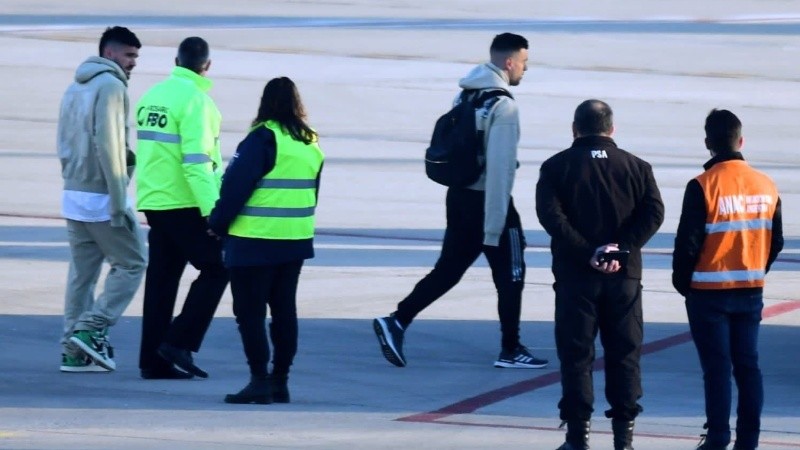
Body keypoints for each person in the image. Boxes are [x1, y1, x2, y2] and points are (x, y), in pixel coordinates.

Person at [372, 32, 547, 370]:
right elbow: (500, 171)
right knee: (512, 273)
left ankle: (397, 320)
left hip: (459, 198)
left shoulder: (465, 96)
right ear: (509, 62)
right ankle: (510, 349)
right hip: (489, 202)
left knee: (449, 270)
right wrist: (495, 225)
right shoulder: (504, 106)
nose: (525, 70)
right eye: (524, 63)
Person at [536, 100, 664, 450]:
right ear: (612, 129)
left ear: (575, 129)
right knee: (625, 353)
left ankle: (578, 436)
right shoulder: (638, 167)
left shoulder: (555, 167)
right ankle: (624, 438)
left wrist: (588, 251)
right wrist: (621, 249)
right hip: (624, 279)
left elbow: (551, 218)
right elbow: (654, 214)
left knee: (577, 355)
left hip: (576, 277)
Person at [208, 77, 324, 404]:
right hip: (295, 239)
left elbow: (235, 187)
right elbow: (313, 192)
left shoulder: (262, 138)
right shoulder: (310, 141)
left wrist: (217, 224)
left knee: (250, 313)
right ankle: (280, 380)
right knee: (284, 311)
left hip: (254, 240)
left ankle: (259, 378)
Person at [672, 109, 783, 450]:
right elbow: (775, 240)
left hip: (708, 292)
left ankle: (718, 437)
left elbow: (687, 244)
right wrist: (754, 269)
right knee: (748, 366)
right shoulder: (767, 185)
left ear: (708, 144)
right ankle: (748, 441)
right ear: (741, 140)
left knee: (717, 369)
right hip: (750, 290)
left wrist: (684, 285)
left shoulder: (703, 186)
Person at [135, 36, 228, 380]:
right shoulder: (198, 103)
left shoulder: (151, 97)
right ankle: (178, 342)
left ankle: (153, 361)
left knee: (162, 281)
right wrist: (213, 214)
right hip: (185, 202)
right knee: (218, 266)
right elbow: (197, 164)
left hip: (154, 202)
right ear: (207, 66)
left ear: (176, 60)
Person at [57, 26, 147, 373]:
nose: (132, 63)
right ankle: (91, 329)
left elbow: (63, 139)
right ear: (110, 54)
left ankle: (72, 351)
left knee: (83, 273)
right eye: (129, 55)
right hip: (99, 194)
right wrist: (119, 198)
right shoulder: (110, 86)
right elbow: (108, 144)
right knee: (133, 262)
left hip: (73, 191)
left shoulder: (75, 85)